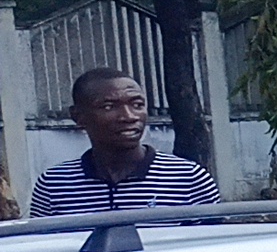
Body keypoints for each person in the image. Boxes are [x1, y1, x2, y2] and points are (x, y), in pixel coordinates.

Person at [27, 68, 219, 215]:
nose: (129, 116)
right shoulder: (54, 184)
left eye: (137, 105)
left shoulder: (189, 178)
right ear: (78, 117)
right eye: (109, 106)